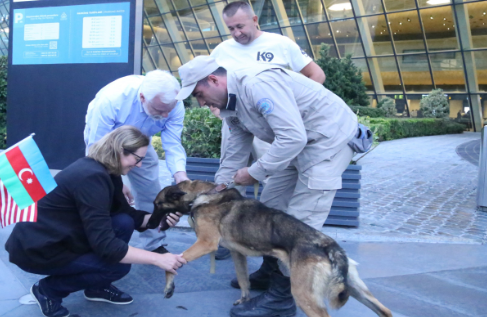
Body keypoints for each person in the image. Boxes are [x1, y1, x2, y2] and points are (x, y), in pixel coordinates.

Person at [176, 56, 357, 317]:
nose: (201, 103)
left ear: (214, 80)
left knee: (299, 222)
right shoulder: (230, 102)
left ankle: (282, 300)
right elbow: (235, 149)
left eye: (199, 94)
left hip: (327, 141)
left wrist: (254, 172)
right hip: (296, 143)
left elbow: (293, 137)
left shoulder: (257, 84)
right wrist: (218, 189)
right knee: (268, 210)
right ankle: (272, 272)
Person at [5, 126, 187, 317]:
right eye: (138, 159)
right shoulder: (91, 178)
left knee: (123, 222)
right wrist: (158, 258)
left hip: (64, 236)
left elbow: (127, 215)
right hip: (39, 249)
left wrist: (159, 219)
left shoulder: (108, 171)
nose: (139, 165)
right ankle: (47, 290)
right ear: (119, 151)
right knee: (118, 266)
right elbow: (107, 246)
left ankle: (96, 287)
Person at [210, 1, 326, 261]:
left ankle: (267, 241)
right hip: (237, 123)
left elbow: (316, 75)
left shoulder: (280, 44)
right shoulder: (221, 51)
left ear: (254, 20)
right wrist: (215, 109)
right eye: (231, 29)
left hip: (273, 125)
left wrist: (290, 111)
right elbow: (211, 86)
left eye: (240, 26)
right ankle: (228, 235)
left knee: (272, 176)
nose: (236, 33)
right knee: (229, 174)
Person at [84, 70, 190, 254]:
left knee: (150, 188)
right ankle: (100, 239)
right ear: (142, 97)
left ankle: (154, 242)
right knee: (103, 190)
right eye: (159, 110)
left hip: (142, 140)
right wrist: (116, 180)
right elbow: (96, 148)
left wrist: (181, 176)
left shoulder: (174, 104)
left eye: (169, 110)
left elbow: (173, 144)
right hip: (107, 142)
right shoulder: (112, 100)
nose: (166, 115)